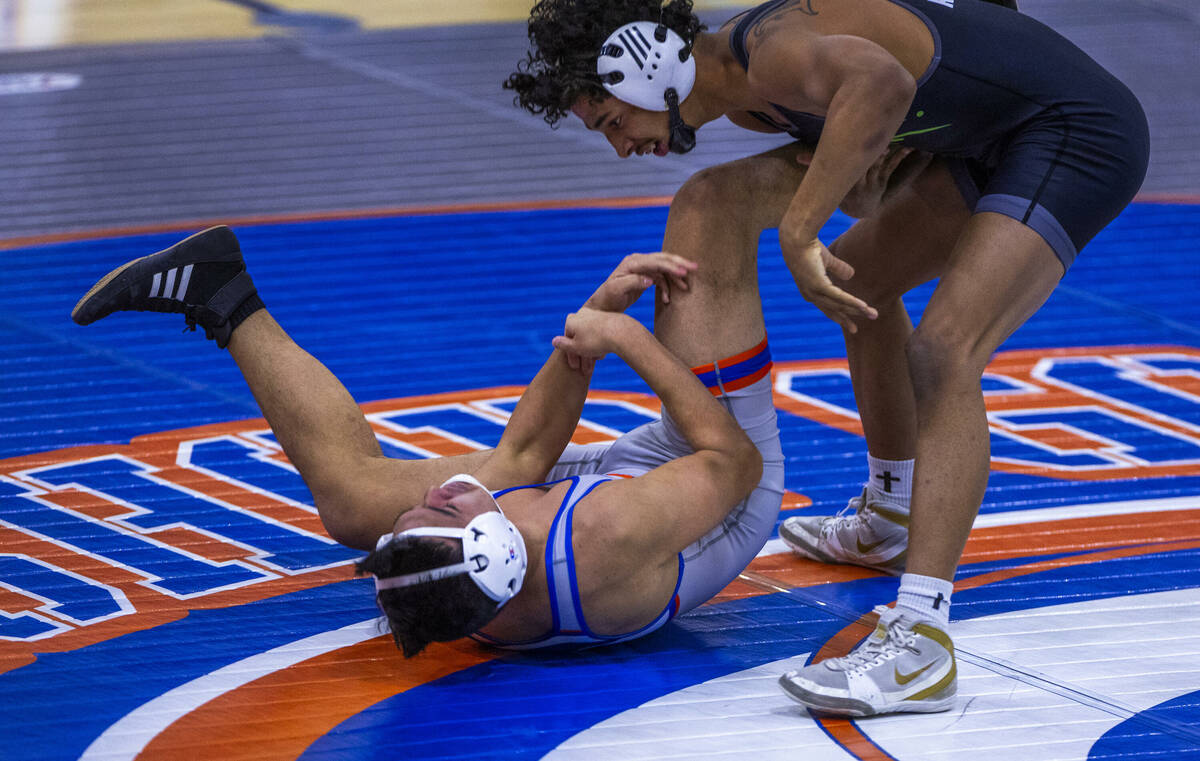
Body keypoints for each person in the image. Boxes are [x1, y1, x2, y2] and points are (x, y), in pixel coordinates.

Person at [505, 0, 1149, 716]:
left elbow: (881, 83)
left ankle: (922, 638)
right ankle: (892, 511)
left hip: (1075, 132)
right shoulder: (753, 108)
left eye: (614, 123)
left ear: (648, 62)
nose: (622, 147)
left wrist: (800, 226)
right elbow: (882, 108)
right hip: (990, 139)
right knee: (857, 279)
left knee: (943, 350)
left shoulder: (772, 55)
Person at [70, 223, 785, 655]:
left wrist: (590, 320)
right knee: (705, 209)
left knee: (352, 507)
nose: (434, 495)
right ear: (497, 545)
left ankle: (220, 293)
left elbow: (523, 455)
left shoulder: (468, 584)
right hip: (720, 490)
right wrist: (624, 335)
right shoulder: (607, 530)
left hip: (596, 510)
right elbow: (736, 461)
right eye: (444, 509)